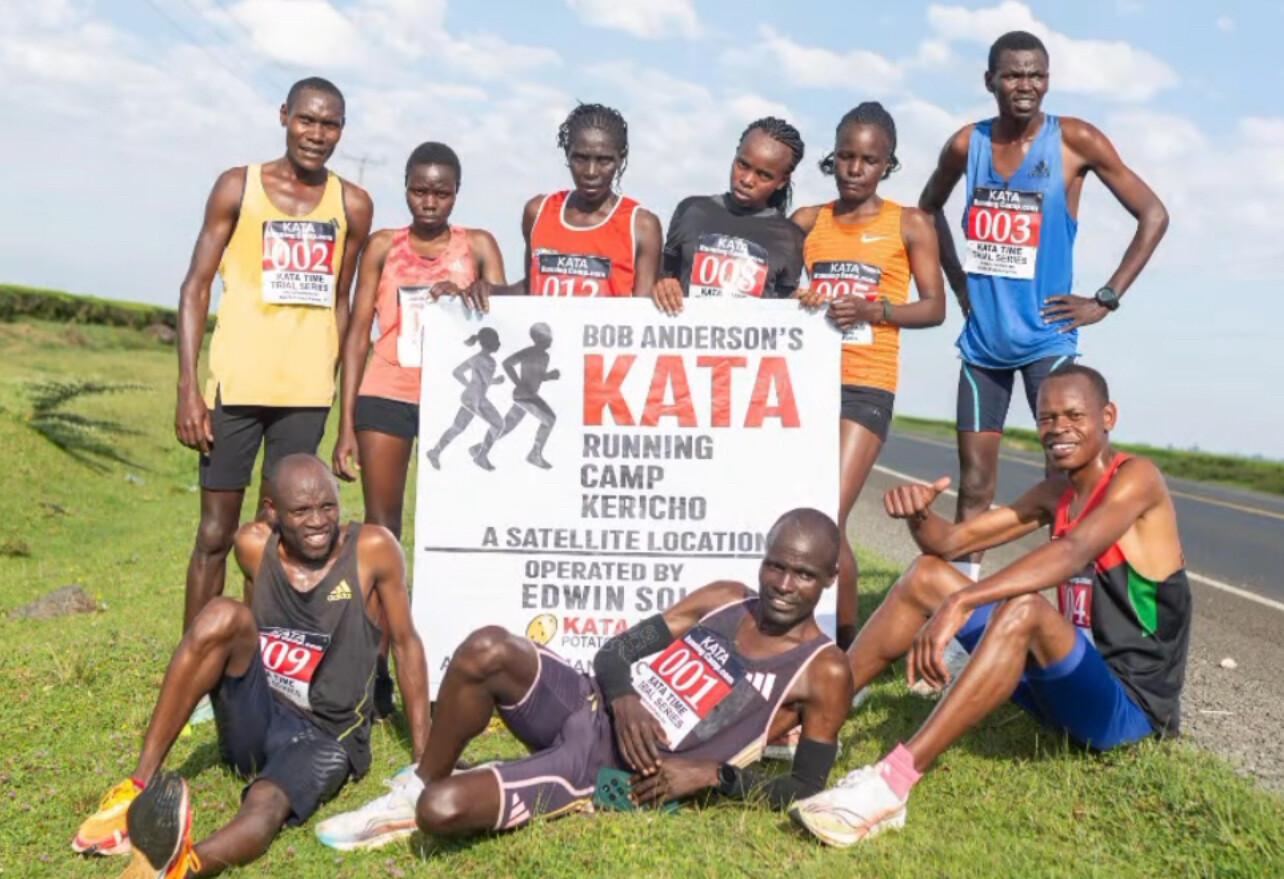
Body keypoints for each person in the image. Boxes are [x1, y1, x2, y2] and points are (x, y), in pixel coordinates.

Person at [789, 364, 1191, 847]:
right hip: (1064, 684)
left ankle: (891, 785)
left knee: (1024, 609)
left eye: (1074, 415)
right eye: (1046, 418)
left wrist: (964, 600)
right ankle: (807, 714)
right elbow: (950, 543)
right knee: (925, 576)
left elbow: (1071, 552)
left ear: (1108, 417)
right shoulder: (1057, 492)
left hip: (1126, 709)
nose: (1058, 428)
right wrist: (919, 513)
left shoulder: (1137, 479)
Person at [311, 509, 854, 850]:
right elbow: (617, 651)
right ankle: (419, 780)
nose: (784, 585)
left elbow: (807, 788)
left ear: (831, 578)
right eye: (776, 566)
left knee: (442, 811)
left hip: (606, 768)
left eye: (804, 574)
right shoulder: (726, 598)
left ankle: (453, 791)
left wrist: (714, 775)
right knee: (487, 647)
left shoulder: (823, 669)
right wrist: (624, 696)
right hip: (590, 704)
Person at [71, 455, 431, 876]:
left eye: (328, 506)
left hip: (325, 736)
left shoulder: (372, 549)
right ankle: (137, 788)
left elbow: (406, 645)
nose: (318, 521)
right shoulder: (252, 546)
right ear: (273, 510)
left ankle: (179, 868)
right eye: (301, 511)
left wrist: (423, 761)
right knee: (221, 613)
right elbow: (246, 627)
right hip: (259, 717)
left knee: (266, 804)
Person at [917, 31, 1168, 580]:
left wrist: (1106, 298)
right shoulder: (967, 145)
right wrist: (957, 283)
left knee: (1071, 482)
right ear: (990, 81)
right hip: (983, 346)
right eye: (1013, 75)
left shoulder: (1075, 140)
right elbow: (926, 210)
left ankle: (1082, 605)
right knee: (975, 486)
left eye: (1036, 75)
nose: (1025, 85)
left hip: (1047, 342)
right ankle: (960, 614)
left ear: (1048, 80)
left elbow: (1153, 214)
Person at [173, 79, 374, 726]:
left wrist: (338, 400)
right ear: (284, 116)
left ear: (342, 129)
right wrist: (188, 387)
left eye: (330, 124)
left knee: (271, 539)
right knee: (215, 534)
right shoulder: (238, 187)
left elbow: (344, 305)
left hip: (304, 395)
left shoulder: (353, 204)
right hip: (234, 389)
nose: (317, 133)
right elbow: (195, 286)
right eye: (307, 120)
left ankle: (255, 668)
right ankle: (195, 668)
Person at [329, 141, 503, 718]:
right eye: (420, 190)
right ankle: (373, 668)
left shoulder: (478, 246)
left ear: (457, 193)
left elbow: (508, 311)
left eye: (442, 192)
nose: (430, 202)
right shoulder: (384, 245)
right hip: (387, 392)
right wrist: (346, 423)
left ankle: (461, 661)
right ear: (405, 188)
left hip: (457, 400)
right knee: (383, 533)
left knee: (458, 530)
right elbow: (357, 330)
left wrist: (479, 293)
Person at [794, 102, 946, 652]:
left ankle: (843, 659)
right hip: (807, 384)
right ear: (832, 157)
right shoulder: (807, 221)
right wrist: (799, 294)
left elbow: (934, 307)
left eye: (869, 160)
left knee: (825, 517)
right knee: (812, 519)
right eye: (845, 157)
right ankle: (839, 651)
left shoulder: (909, 223)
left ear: (888, 165)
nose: (855, 169)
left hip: (866, 385)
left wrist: (874, 310)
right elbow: (774, 286)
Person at [502, 103, 662, 299]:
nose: (591, 172)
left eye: (604, 160)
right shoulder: (537, 212)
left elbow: (642, 311)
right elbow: (531, 287)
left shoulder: (641, 226)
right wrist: (489, 291)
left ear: (621, 159)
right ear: (567, 154)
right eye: (580, 158)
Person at [652, 118, 806, 312]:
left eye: (764, 175)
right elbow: (664, 275)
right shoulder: (691, 211)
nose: (747, 180)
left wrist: (801, 301)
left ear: (782, 181)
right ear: (735, 155)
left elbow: (784, 310)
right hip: (687, 330)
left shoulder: (791, 238)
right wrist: (664, 285)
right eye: (742, 165)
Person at [470, 322, 561, 469]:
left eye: (550, 335)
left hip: (529, 395)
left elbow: (538, 376)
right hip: (524, 396)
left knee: (506, 426)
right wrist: (519, 383)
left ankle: (479, 449)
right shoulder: (529, 351)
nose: (550, 339)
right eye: (546, 336)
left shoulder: (545, 356)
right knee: (549, 419)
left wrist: (549, 376)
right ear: (537, 338)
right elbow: (507, 363)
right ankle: (534, 454)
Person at [423, 329, 507, 471]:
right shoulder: (490, 362)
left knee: (457, 427)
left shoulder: (476, 358)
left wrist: (470, 386)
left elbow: (458, 372)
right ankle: (480, 456)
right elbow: (483, 381)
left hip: (469, 396)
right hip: (477, 400)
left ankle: (435, 452)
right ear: (491, 343)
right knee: (498, 424)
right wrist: (493, 382)